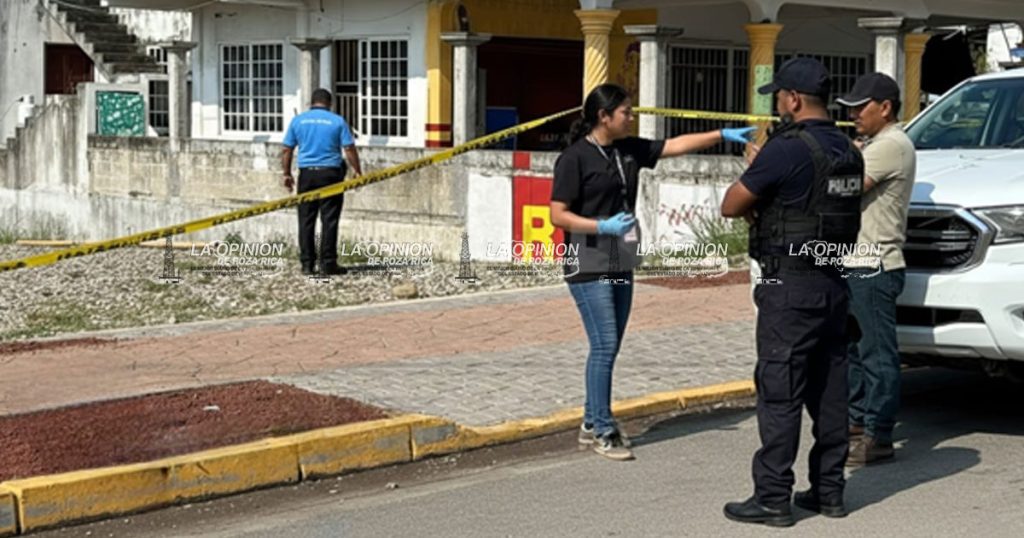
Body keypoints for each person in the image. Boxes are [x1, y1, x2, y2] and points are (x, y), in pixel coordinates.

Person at [550, 83, 754, 461]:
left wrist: (721, 135)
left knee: (610, 345)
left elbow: (674, 145)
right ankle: (604, 430)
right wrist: (601, 226)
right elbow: (558, 214)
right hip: (588, 262)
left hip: (621, 259)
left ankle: (592, 420)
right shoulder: (574, 159)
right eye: (625, 112)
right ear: (603, 117)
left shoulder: (627, 149)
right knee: (604, 345)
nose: (631, 117)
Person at [719, 58, 864, 526]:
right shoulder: (848, 150)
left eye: (779, 96)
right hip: (833, 284)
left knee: (780, 392)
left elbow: (731, 204)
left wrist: (759, 175)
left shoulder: (786, 149)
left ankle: (772, 498)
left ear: (794, 99)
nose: (777, 103)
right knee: (830, 393)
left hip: (789, 286)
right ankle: (829, 491)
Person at [836, 73, 916, 466]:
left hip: (875, 263)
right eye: (850, 108)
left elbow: (843, 188)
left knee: (876, 353)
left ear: (885, 108)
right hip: (856, 260)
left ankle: (878, 434)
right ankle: (857, 423)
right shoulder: (874, 145)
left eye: (860, 107)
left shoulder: (890, 145)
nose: (853, 114)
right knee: (854, 350)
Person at [281, 88, 363, 275]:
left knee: (306, 220)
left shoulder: (298, 121)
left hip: (307, 175)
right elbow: (349, 148)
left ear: (311, 103)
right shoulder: (337, 121)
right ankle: (328, 263)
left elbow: (287, 149)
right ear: (330, 103)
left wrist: (286, 174)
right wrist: (357, 171)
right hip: (331, 174)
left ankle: (307, 264)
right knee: (329, 219)